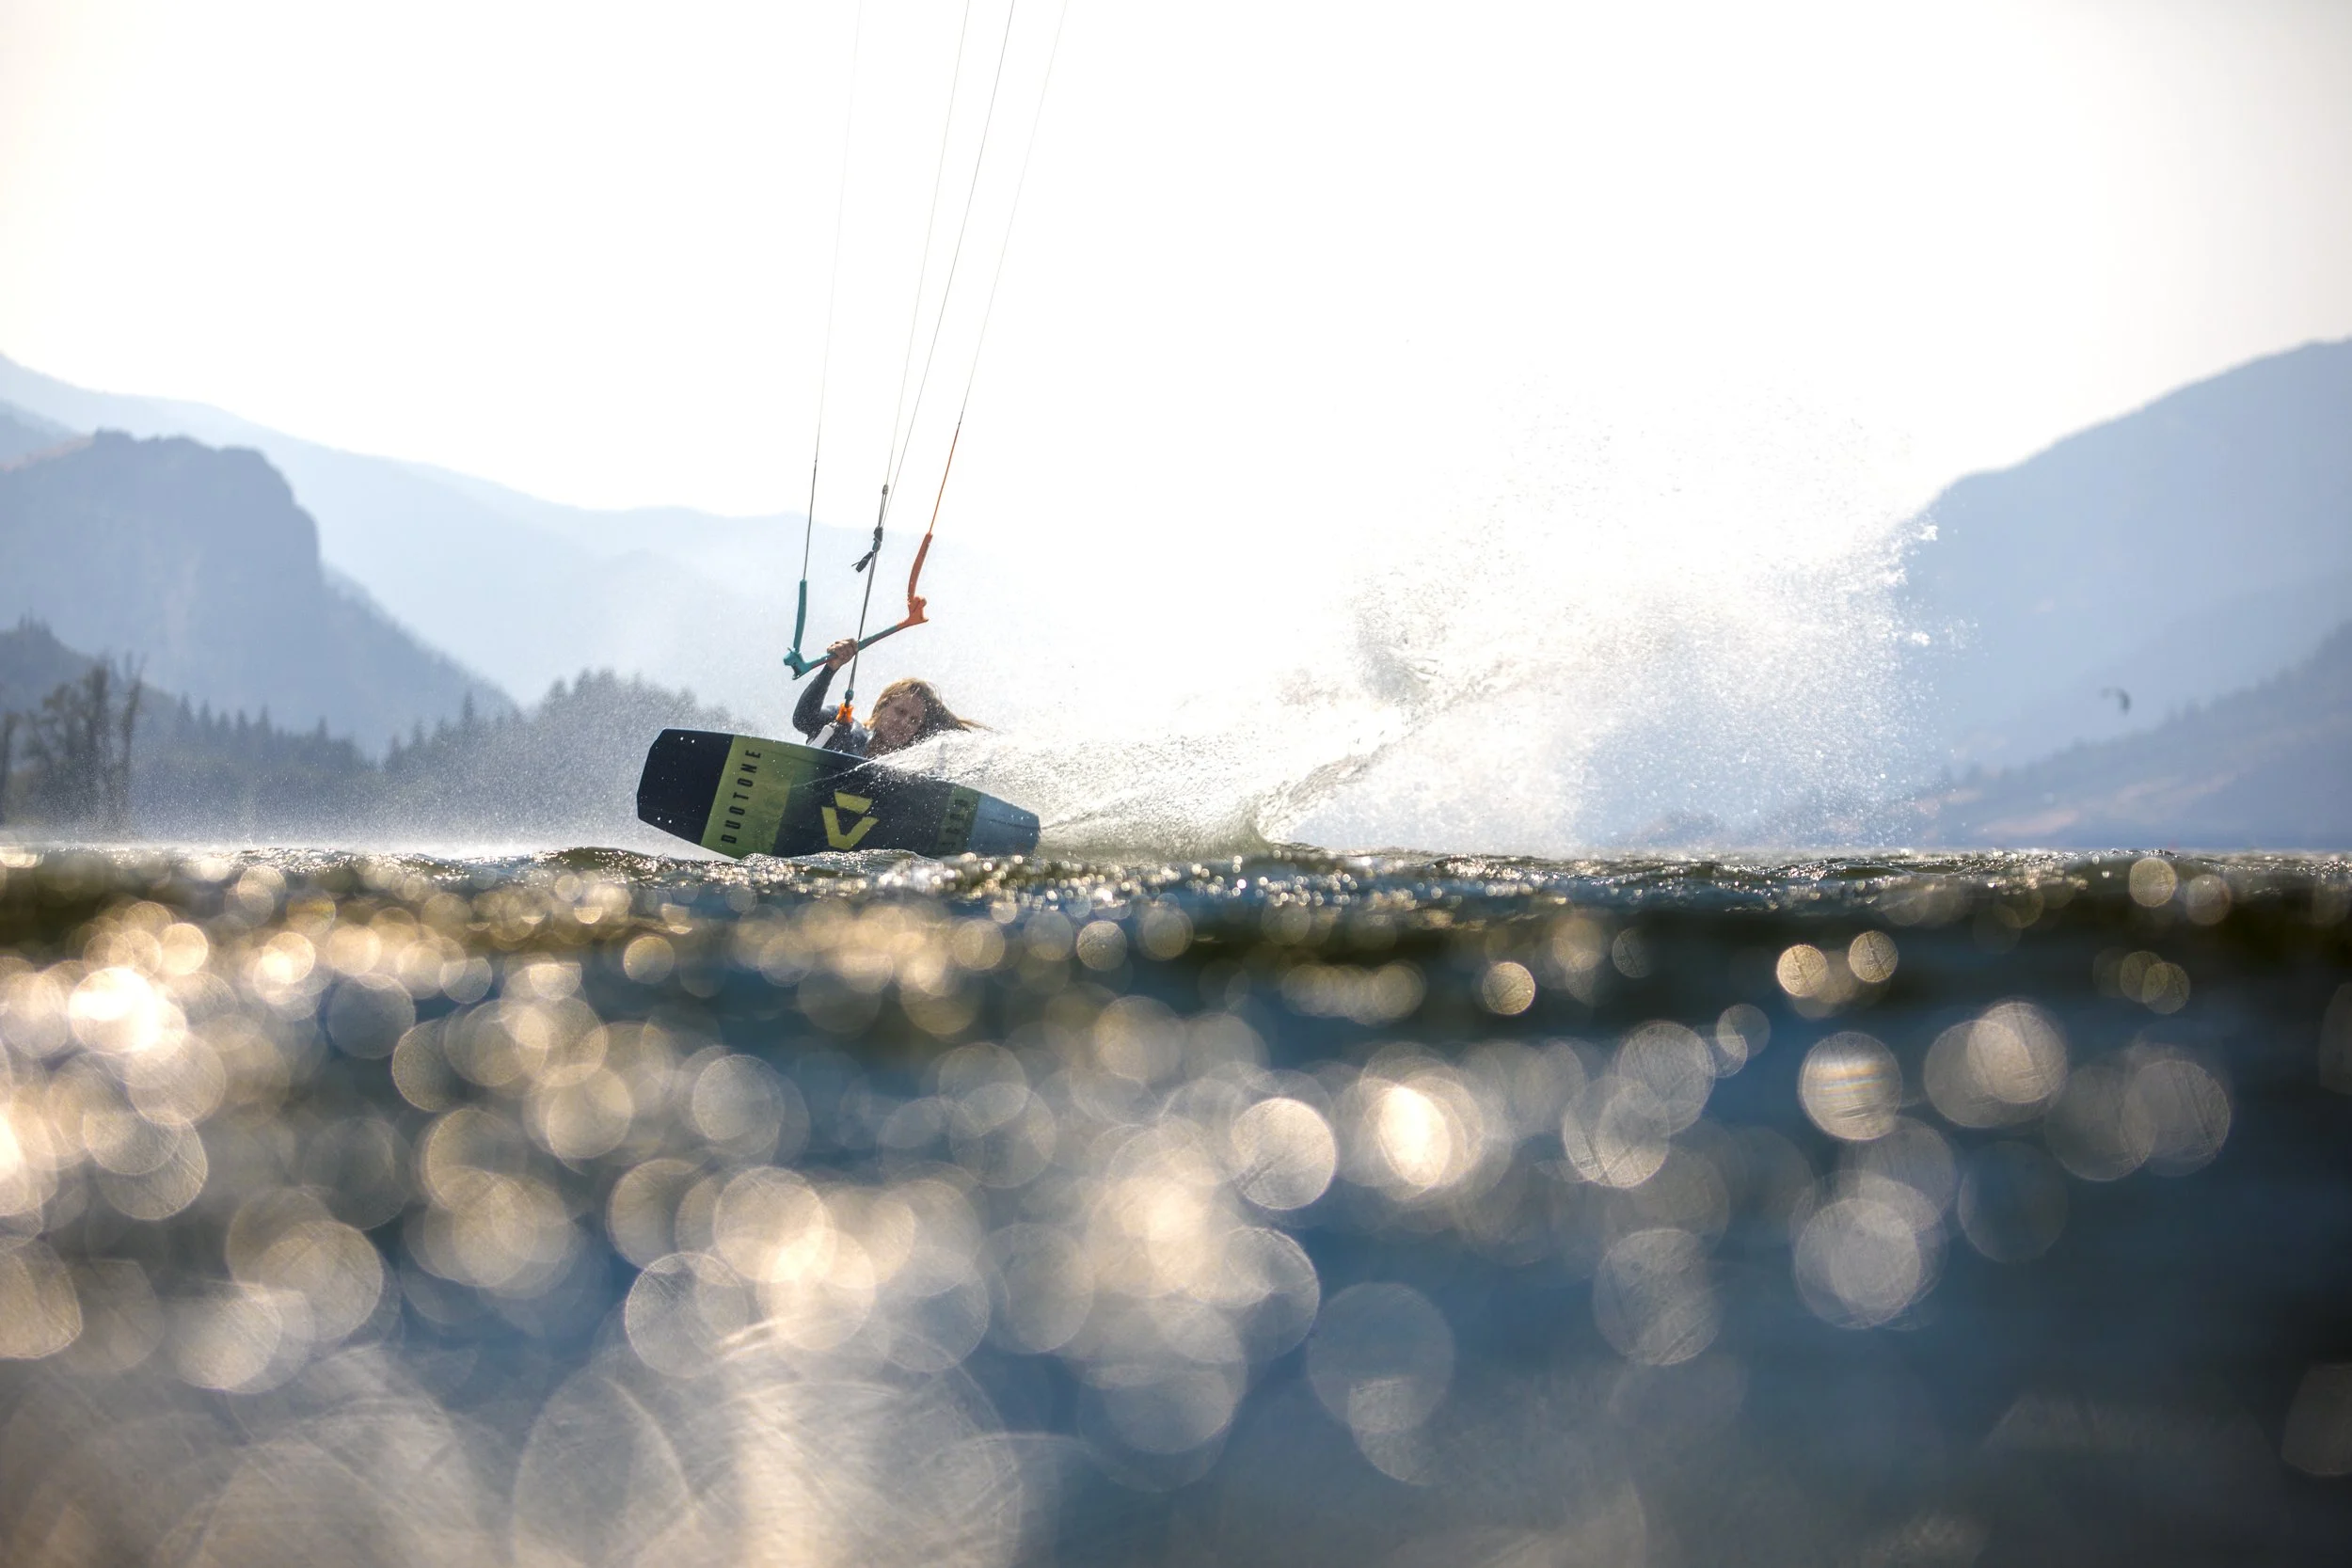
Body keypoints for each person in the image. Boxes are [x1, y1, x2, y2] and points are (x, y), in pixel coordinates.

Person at [793, 638, 979, 757]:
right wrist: (830, 668)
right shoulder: (842, 727)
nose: (905, 723)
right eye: (900, 711)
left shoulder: (909, 769)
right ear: (883, 706)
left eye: (914, 721)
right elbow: (802, 720)